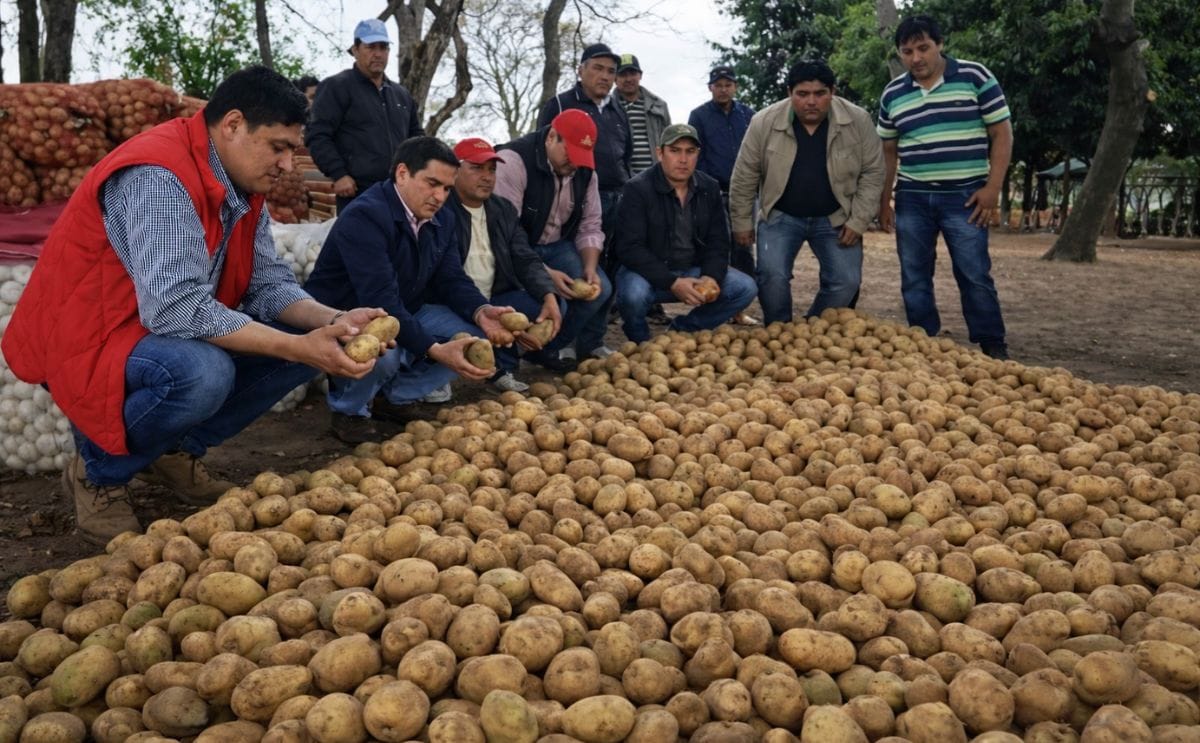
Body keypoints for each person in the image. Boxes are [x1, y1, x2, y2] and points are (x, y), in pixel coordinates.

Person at [0, 66, 386, 545]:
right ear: (233, 125)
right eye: (279, 147)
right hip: (88, 333)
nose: (289, 165)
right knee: (201, 373)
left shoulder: (241, 187)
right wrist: (297, 345)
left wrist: (333, 321)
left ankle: (171, 452)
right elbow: (175, 308)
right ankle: (98, 471)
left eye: (293, 149)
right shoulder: (160, 176)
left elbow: (268, 285)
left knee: (309, 352)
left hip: (141, 325)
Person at [303, 137, 516, 444]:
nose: (440, 196)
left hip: (406, 308)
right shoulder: (366, 216)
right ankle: (349, 410)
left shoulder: (442, 218)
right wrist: (434, 349)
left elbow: (452, 278)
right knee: (382, 349)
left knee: (474, 337)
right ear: (402, 173)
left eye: (446, 188)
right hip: (351, 316)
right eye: (432, 183)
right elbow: (380, 301)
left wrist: (483, 312)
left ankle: (395, 397)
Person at [877, 15, 1013, 359]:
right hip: (913, 196)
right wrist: (884, 200)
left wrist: (992, 187)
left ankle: (992, 346)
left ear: (940, 45)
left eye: (923, 48)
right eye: (907, 51)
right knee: (914, 276)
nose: (916, 58)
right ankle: (925, 345)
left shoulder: (974, 76)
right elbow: (888, 153)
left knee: (973, 272)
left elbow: (1002, 133)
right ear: (900, 54)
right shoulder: (893, 94)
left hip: (966, 194)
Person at [729, 59, 884, 324]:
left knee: (846, 282)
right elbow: (745, 174)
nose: (811, 102)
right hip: (781, 216)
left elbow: (873, 172)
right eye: (802, 94)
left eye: (819, 94)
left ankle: (812, 328)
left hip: (836, 217)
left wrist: (859, 221)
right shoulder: (763, 122)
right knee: (771, 276)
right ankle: (779, 330)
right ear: (790, 93)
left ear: (832, 92)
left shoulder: (857, 120)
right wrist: (741, 222)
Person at [613, 124, 757, 342]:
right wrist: (672, 282)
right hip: (647, 273)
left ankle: (683, 330)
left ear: (698, 154)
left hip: (692, 269)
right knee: (633, 294)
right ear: (660, 153)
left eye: (690, 152)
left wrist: (710, 275)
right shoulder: (637, 189)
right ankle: (640, 341)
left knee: (745, 288)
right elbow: (629, 248)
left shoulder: (709, 187)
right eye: (675, 150)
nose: (683, 159)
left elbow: (718, 242)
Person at [494, 110, 613, 368]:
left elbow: (591, 224)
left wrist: (590, 267)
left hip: (557, 245)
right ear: (551, 137)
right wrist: (545, 273)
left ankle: (545, 350)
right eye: (570, 153)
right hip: (515, 247)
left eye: (582, 157)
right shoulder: (513, 162)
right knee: (555, 300)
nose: (575, 163)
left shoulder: (585, 172)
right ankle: (510, 355)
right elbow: (504, 232)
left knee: (600, 289)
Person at [446, 137, 563, 392]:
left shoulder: (502, 210)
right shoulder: (441, 208)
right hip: (451, 298)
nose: (487, 177)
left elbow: (524, 256)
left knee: (542, 303)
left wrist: (548, 294)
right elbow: (444, 275)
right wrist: (479, 308)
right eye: (477, 168)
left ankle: (503, 368)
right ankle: (436, 373)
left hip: (496, 295)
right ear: (454, 171)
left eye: (492, 170)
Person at [305, 18, 424, 213]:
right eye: (371, 47)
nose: (378, 54)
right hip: (358, 194)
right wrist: (339, 174)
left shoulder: (401, 94)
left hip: (401, 194)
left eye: (383, 47)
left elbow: (417, 140)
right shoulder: (337, 87)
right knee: (363, 243)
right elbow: (317, 135)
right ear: (355, 49)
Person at [688, 65, 757, 323]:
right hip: (711, 192)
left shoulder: (748, 115)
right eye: (718, 85)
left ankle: (738, 309)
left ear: (735, 86)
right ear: (710, 88)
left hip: (744, 192)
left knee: (744, 249)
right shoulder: (699, 116)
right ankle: (713, 304)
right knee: (716, 248)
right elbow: (696, 153)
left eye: (728, 84)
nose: (723, 89)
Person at [537, 42, 632, 230]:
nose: (605, 76)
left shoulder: (618, 110)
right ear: (581, 70)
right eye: (598, 68)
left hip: (620, 198)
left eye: (611, 71)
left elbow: (627, 155)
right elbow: (541, 152)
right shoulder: (559, 104)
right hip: (578, 200)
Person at [614, 53, 671, 176]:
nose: (628, 79)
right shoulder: (607, 108)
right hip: (622, 180)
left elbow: (669, 143)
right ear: (615, 78)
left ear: (640, 75)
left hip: (656, 176)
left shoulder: (660, 106)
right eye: (623, 75)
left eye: (633, 74)